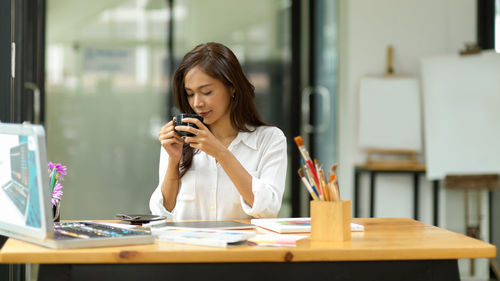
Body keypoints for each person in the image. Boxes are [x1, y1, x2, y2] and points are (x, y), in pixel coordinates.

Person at [149, 42, 287, 220]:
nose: (197, 103)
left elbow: (268, 209)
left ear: (232, 87)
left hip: (243, 247)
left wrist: (221, 153)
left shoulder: (269, 139)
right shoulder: (178, 139)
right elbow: (161, 214)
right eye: (190, 94)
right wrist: (173, 162)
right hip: (186, 247)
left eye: (206, 92)